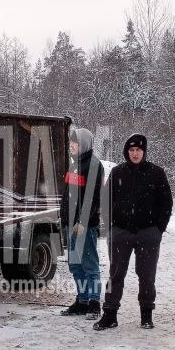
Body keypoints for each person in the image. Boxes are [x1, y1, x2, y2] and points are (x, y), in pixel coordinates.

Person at [94, 133, 173, 331]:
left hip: (148, 233)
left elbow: (166, 203)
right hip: (121, 232)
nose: (135, 153)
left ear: (144, 152)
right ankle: (110, 315)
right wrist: (111, 226)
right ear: (126, 152)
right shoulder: (118, 173)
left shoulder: (157, 173)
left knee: (146, 275)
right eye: (131, 150)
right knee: (115, 275)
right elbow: (106, 200)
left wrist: (158, 229)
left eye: (138, 150)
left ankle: (146, 315)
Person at [58, 127, 106, 320]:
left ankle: (94, 304)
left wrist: (83, 222)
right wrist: (63, 217)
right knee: (75, 265)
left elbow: (93, 199)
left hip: (84, 226)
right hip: (71, 224)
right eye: (70, 143)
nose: (71, 146)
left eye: (75, 143)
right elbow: (67, 195)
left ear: (84, 144)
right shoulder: (74, 165)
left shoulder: (93, 165)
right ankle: (82, 301)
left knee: (89, 265)